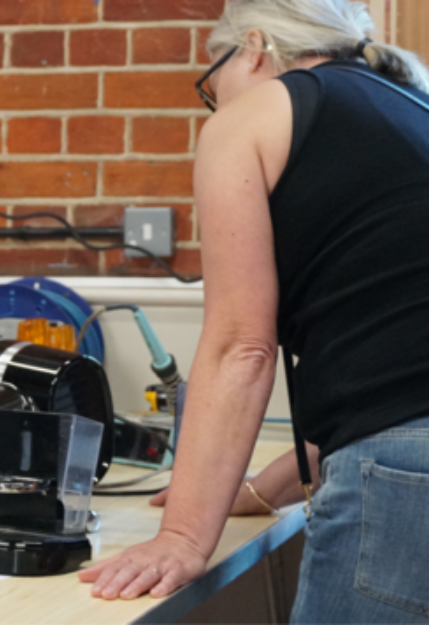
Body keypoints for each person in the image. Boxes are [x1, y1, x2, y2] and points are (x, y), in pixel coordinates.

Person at [78, 0, 429, 621]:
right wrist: (264, 490)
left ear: (255, 47)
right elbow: (398, 355)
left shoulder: (252, 120)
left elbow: (243, 346)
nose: (216, 104)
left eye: (211, 85)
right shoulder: (409, 110)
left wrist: (182, 537)